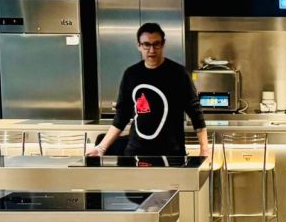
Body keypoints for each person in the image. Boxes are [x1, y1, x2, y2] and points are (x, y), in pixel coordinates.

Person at [88, 23, 207, 159]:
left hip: (171, 153)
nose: (151, 50)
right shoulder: (131, 74)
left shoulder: (178, 73)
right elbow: (122, 116)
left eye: (156, 44)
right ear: (139, 46)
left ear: (163, 44)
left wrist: (204, 150)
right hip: (136, 152)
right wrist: (101, 148)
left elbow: (196, 113)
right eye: (146, 44)